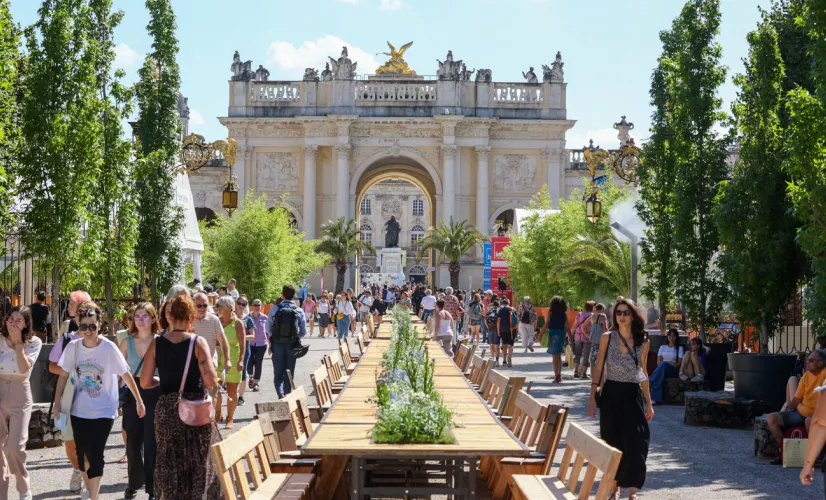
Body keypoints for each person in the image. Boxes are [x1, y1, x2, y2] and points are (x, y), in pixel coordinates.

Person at [53, 301, 145, 500]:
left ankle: (93, 496)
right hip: (79, 409)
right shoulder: (73, 348)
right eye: (83, 326)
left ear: (99, 325)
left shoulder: (109, 348)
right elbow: (63, 376)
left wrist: (138, 400)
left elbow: (126, 375)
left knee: (96, 454)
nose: (88, 331)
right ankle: (91, 488)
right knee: (81, 455)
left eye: (92, 326)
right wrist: (57, 402)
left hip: (104, 410)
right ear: (78, 325)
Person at [139, 295, 222, 500]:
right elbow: (210, 380)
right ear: (191, 318)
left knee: (169, 461)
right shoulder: (197, 342)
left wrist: (165, 382)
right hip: (195, 410)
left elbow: (145, 382)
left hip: (167, 410)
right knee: (199, 461)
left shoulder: (157, 343)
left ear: (170, 316)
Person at [587, 298, 652, 500]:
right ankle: (613, 488)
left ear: (633, 315)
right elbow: (598, 368)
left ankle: (631, 491)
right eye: (619, 313)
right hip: (611, 394)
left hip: (633, 395)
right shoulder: (608, 337)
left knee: (636, 442)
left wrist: (649, 402)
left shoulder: (643, 341)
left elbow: (643, 372)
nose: (622, 316)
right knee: (612, 442)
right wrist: (592, 396)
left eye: (626, 312)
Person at [48, 289, 91, 494]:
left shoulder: (97, 339)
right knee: (69, 443)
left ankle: (89, 481)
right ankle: (77, 469)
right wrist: (70, 370)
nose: (69, 309)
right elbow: (52, 366)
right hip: (68, 395)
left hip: (92, 397)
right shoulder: (66, 338)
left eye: (72, 305)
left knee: (90, 442)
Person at [119, 302, 160, 500]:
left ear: (153, 319)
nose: (141, 320)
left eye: (145, 316)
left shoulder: (161, 341)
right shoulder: (126, 342)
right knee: (133, 442)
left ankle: (152, 488)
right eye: (137, 316)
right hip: (133, 392)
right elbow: (119, 373)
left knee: (153, 442)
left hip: (155, 392)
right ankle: (134, 483)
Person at [1, 306, 42, 500]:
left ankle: (22, 483)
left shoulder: (34, 342)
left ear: (26, 323)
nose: (13, 324)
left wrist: (18, 344)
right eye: (11, 319)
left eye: (19, 321)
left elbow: (25, 369)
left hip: (20, 393)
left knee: (15, 447)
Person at [767, 350, 826, 464]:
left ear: (820, 363)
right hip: (800, 412)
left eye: (811, 360)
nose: (807, 363)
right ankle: (785, 453)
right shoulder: (806, 376)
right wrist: (798, 406)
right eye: (807, 360)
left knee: (810, 421)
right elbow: (795, 402)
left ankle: (816, 456)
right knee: (772, 418)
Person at [191, 292, 230, 421]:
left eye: (205, 305)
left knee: (210, 396)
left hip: (209, 365)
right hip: (191, 366)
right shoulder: (188, 320)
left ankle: (210, 423)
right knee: (194, 398)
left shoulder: (214, 320)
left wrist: (227, 360)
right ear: (193, 305)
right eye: (199, 305)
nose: (202, 308)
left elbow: (223, 341)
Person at [266, 286, 307, 398]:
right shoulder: (298, 310)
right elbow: (303, 331)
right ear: (294, 296)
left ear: (282, 295)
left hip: (277, 344)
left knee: (278, 373)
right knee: (289, 372)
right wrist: (295, 337)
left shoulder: (275, 309)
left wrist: (273, 339)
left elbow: (268, 329)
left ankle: (280, 394)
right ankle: (287, 395)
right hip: (292, 345)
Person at [215, 296, 245, 429]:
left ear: (228, 308)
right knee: (215, 388)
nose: (218, 308)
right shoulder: (217, 322)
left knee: (232, 392)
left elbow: (243, 344)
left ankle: (230, 417)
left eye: (220, 306)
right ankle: (218, 413)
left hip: (234, 358)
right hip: (218, 358)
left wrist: (241, 360)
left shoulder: (238, 323)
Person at [648, 328, 684, 405]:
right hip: (663, 369)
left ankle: (650, 380)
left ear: (676, 337)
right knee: (660, 375)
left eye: (673, 336)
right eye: (670, 336)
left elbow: (678, 364)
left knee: (663, 365)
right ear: (667, 337)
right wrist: (669, 363)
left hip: (674, 370)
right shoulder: (662, 347)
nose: (671, 338)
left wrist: (667, 363)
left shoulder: (680, 348)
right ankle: (655, 399)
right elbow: (658, 363)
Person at [540, 296, 568, 383]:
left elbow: (547, 323)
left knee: (554, 356)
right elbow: (567, 326)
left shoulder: (551, 313)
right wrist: (570, 336)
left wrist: (540, 334)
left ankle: (557, 376)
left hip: (553, 334)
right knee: (559, 355)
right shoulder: (564, 313)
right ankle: (559, 375)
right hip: (562, 334)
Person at [235, 296, 254, 407]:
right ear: (236, 303)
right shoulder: (229, 317)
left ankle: (241, 397)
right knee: (231, 372)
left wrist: (241, 337)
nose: (241, 306)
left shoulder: (248, 318)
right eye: (239, 303)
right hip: (231, 348)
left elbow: (252, 336)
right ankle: (232, 394)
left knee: (242, 372)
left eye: (244, 304)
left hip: (244, 350)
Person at [247, 299, 269, 392]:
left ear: (261, 306)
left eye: (258, 305)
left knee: (258, 362)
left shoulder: (265, 318)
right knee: (249, 361)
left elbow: (268, 332)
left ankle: (256, 383)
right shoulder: (248, 317)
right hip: (250, 343)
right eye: (255, 305)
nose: (257, 307)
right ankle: (251, 376)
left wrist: (271, 345)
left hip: (261, 343)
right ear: (252, 306)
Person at [572, 302, 595, 379]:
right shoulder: (593, 316)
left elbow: (575, 325)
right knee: (586, 355)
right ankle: (584, 374)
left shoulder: (579, 314)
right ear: (592, 308)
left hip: (578, 337)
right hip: (587, 337)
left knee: (577, 354)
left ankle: (576, 372)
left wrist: (570, 335)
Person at [496, 298, 516, 367]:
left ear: (502, 303)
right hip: (512, 330)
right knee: (510, 345)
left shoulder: (500, 310)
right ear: (508, 303)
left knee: (504, 345)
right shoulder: (512, 309)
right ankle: (509, 357)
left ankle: (504, 360)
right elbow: (517, 320)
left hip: (503, 329)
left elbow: (498, 321)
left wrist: (498, 331)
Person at [588, 303, 609, 370]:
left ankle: (596, 376)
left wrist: (588, 335)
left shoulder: (592, 316)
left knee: (595, 360)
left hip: (594, 341)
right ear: (602, 308)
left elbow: (583, 326)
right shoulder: (603, 316)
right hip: (602, 341)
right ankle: (602, 377)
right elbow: (605, 328)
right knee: (603, 360)